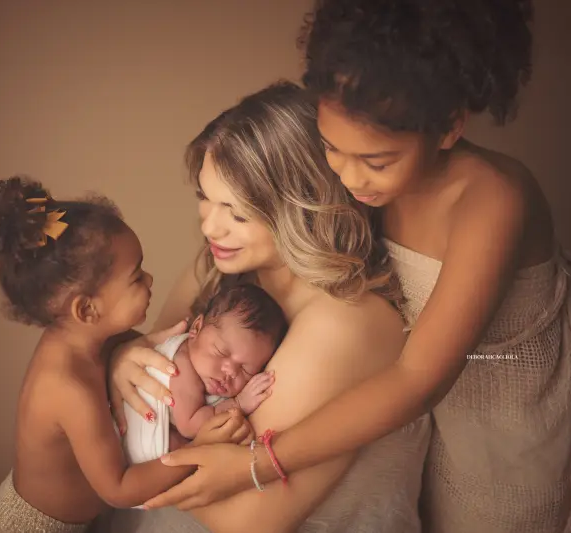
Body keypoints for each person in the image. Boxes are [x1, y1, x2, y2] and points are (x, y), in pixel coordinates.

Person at [113, 1, 571, 532]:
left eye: (375, 161)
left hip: (508, 414)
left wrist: (257, 463)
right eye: (330, 151)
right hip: (420, 413)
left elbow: (416, 379)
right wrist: (122, 355)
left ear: (448, 128)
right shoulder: (362, 188)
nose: (347, 177)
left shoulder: (491, 199)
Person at [100, 82, 432, 533]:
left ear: (301, 207)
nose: (211, 226)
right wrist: (121, 358)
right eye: (204, 197)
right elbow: (151, 377)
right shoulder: (219, 271)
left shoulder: (345, 324)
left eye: (236, 213)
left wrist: (145, 440)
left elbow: (244, 520)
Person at [0, 177, 254, 533]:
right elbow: (120, 489)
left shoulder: (95, 339)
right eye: (136, 278)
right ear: (87, 310)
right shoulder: (67, 386)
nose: (151, 280)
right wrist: (200, 446)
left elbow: (159, 354)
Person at [122, 283, 284, 468]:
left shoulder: (202, 363)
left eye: (245, 370)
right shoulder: (180, 366)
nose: (230, 372)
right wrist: (238, 404)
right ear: (196, 328)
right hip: (141, 457)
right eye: (221, 352)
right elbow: (190, 425)